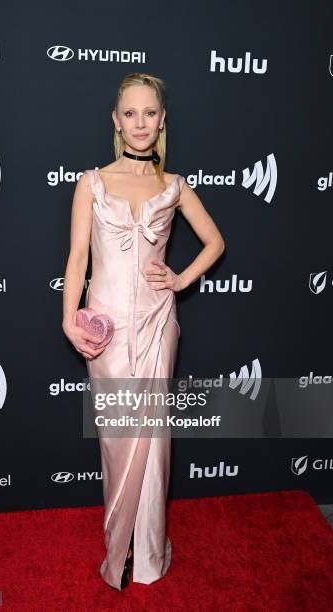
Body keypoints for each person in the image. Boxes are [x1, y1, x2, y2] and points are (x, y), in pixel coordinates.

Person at [62, 72, 225, 590]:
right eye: (130, 113)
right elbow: (78, 258)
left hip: (157, 324)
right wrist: (69, 319)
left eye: (149, 113)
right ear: (116, 120)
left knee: (154, 442)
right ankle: (119, 546)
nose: (140, 123)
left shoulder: (173, 186)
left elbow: (215, 243)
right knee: (118, 440)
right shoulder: (91, 183)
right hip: (106, 329)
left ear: (161, 121)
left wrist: (179, 279)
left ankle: (148, 552)